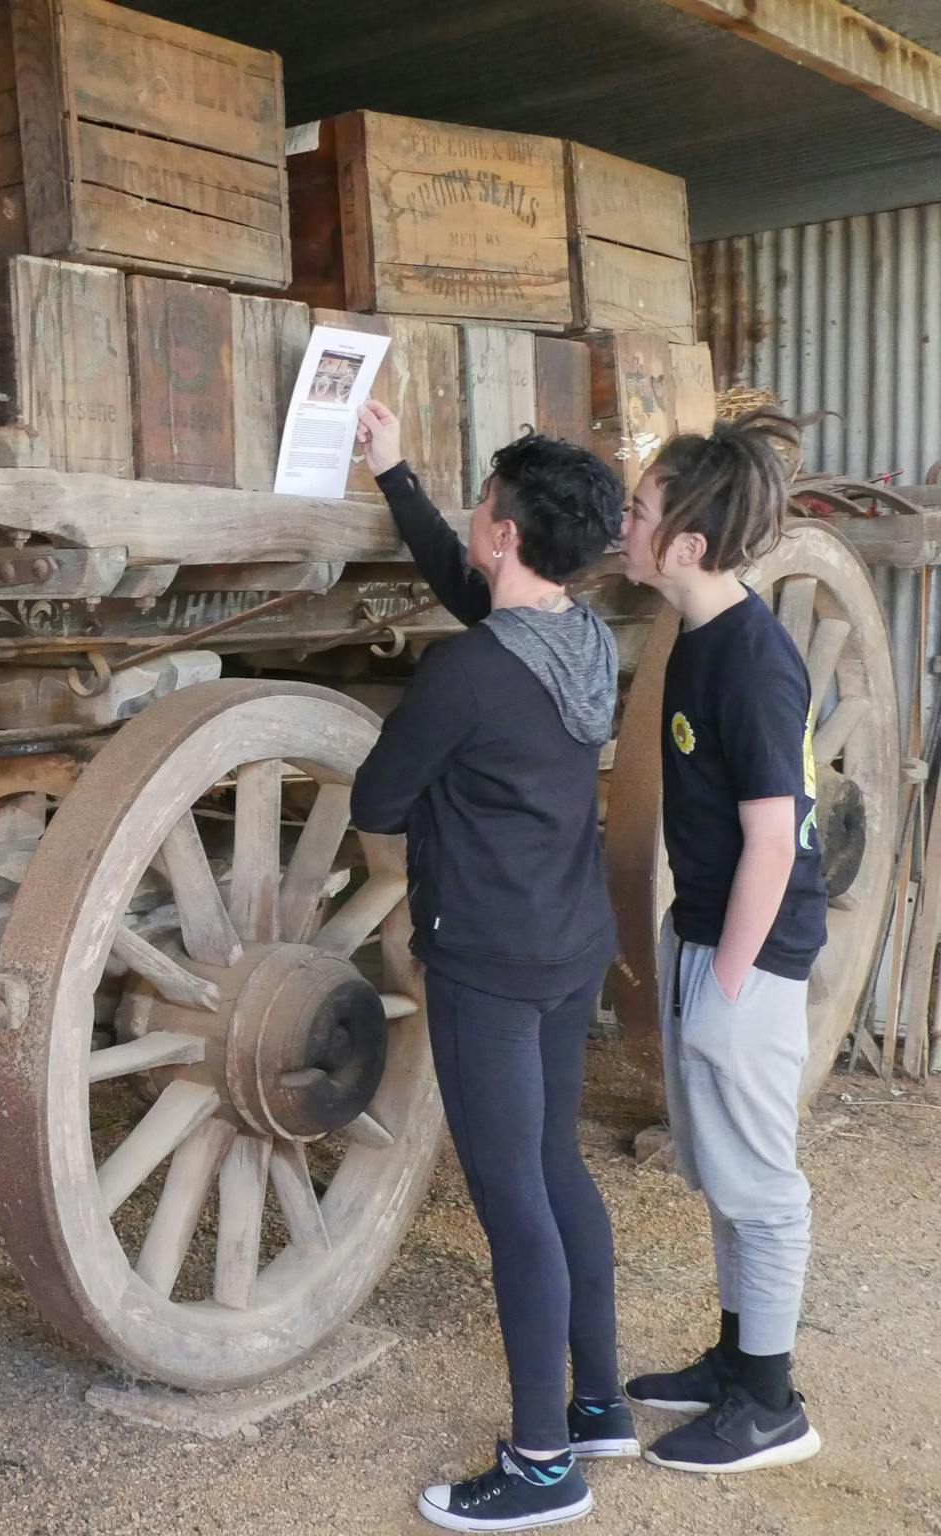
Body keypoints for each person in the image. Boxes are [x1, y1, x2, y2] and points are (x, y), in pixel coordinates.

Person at [350, 401, 633, 1531]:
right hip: (569, 944)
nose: (472, 515)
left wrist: (430, 791)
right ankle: (599, 1403)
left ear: (507, 535)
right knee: (556, 1168)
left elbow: (377, 798)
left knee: (512, 1202)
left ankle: (542, 1466)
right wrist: (395, 475)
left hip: (487, 961)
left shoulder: (466, 674)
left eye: (481, 503)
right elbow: (474, 594)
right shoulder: (583, 642)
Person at [615, 410, 825, 1474]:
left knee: (762, 1192)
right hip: (702, 928)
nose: (623, 525)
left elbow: (773, 842)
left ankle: (773, 1406)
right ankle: (738, 1362)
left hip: (752, 948)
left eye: (637, 512)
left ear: (686, 545)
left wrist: (726, 986)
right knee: (724, 1174)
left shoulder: (750, 661)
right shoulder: (699, 635)